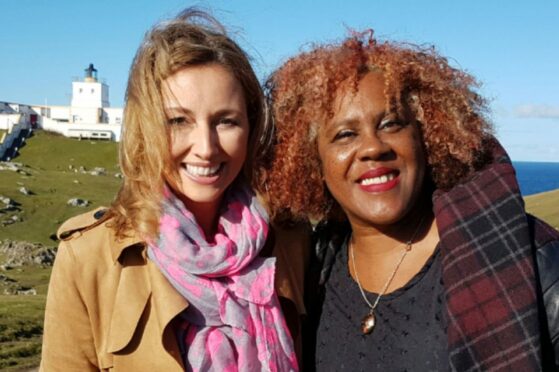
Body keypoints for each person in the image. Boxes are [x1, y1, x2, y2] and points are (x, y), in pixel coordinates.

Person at [263, 31, 559, 371]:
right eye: (345, 134)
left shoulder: (528, 258)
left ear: (426, 137)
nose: (374, 147)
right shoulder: (313, 269)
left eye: (392, 124)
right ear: (311, 161)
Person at [40, 9, 308, 371]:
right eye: (178, 121)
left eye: (226, 121)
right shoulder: (88, 258)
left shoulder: (291, 239)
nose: (206, 147)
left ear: (251, 126)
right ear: (145, 127)